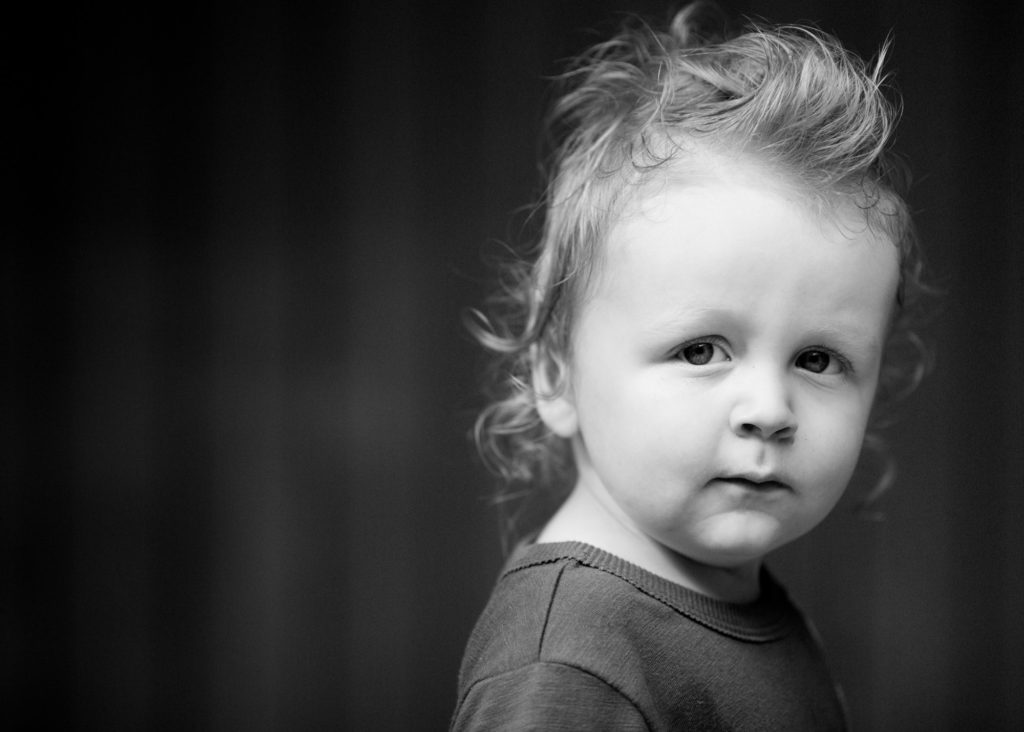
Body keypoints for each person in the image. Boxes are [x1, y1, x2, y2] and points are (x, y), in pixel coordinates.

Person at [452, 2, 927, 729]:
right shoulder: (568, 666)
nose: (769, 409)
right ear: (555, 373)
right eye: (700, 350)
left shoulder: (728, 599)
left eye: (818, 358)